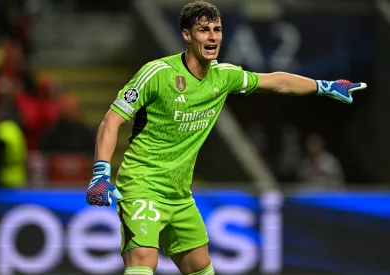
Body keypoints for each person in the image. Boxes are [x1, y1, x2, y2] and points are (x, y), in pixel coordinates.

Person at [85, 1, 367, 275]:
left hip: (180, 194)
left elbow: (277, 82)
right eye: (204, 30)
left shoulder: (224, 76)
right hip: (141, 185)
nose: (212, 37)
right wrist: (101, 173)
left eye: (217, 29)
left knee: (200, 267)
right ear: (186, 35)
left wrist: (324, 86)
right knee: (143, 260)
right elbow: (111, 121)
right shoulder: (157, 74)